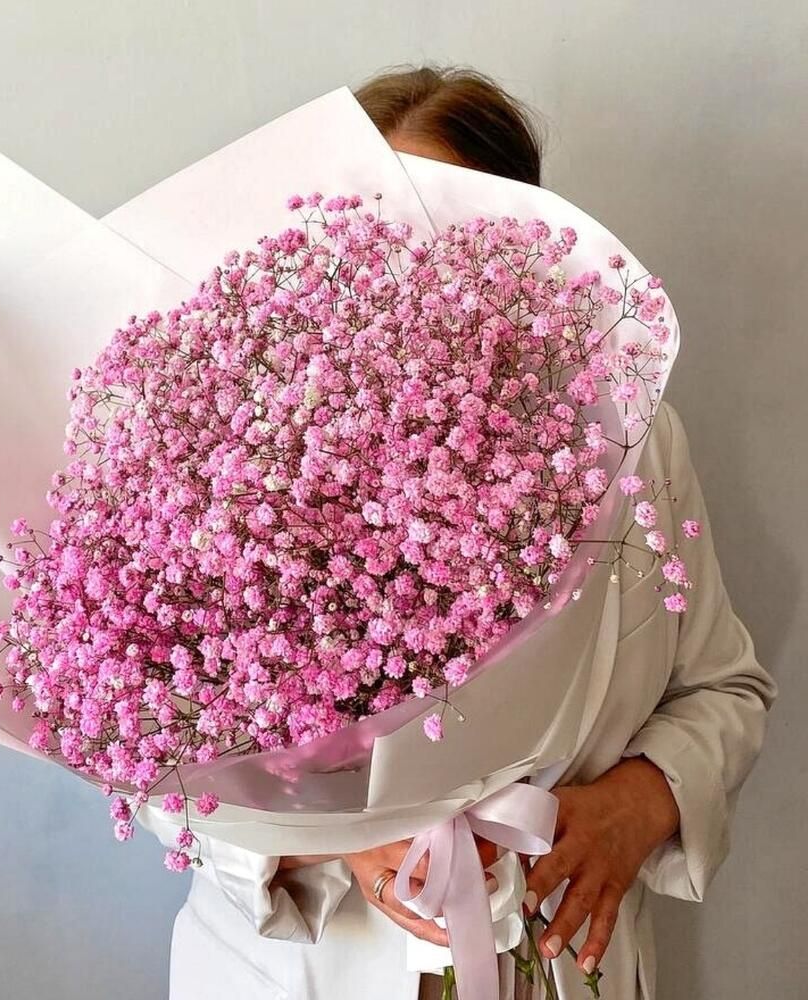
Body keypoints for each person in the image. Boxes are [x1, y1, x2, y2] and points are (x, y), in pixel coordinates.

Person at [151, 66, 777, 1000]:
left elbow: (726, 689)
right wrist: (332, 838)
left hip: (558, 956)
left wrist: (638, 802)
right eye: (382, 217)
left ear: (523, 235)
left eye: (451, 218)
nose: (413, 255)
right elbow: (147, 743)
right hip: (308, 969)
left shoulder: (633, 439)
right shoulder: (235, 456)